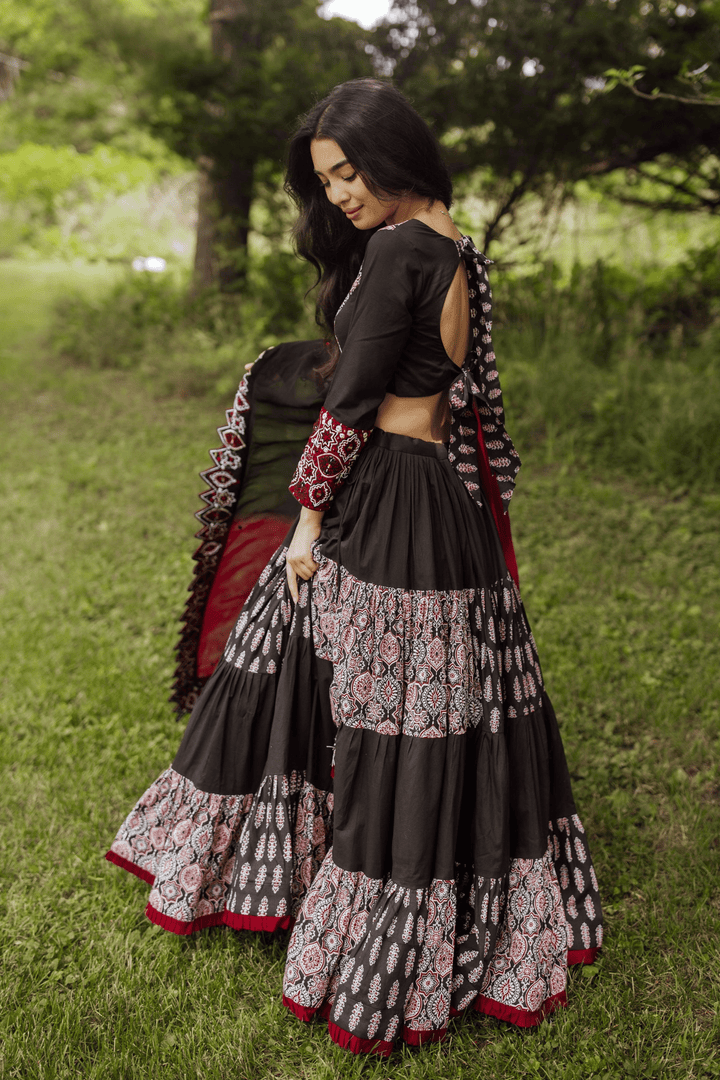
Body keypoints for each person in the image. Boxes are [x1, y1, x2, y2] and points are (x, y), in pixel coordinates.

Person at [106, 78, 603, 1058]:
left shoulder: (398, 251)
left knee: (369, 707)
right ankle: (346, 882)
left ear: (396, 154)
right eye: (326, 179)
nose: (337, 194)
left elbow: (349, 405)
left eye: (349, 171)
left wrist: (303, 524)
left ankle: (354, 922)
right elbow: (470, 406)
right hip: (440, 500)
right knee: (427, 704)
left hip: (384, 500)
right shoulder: (464, 250)